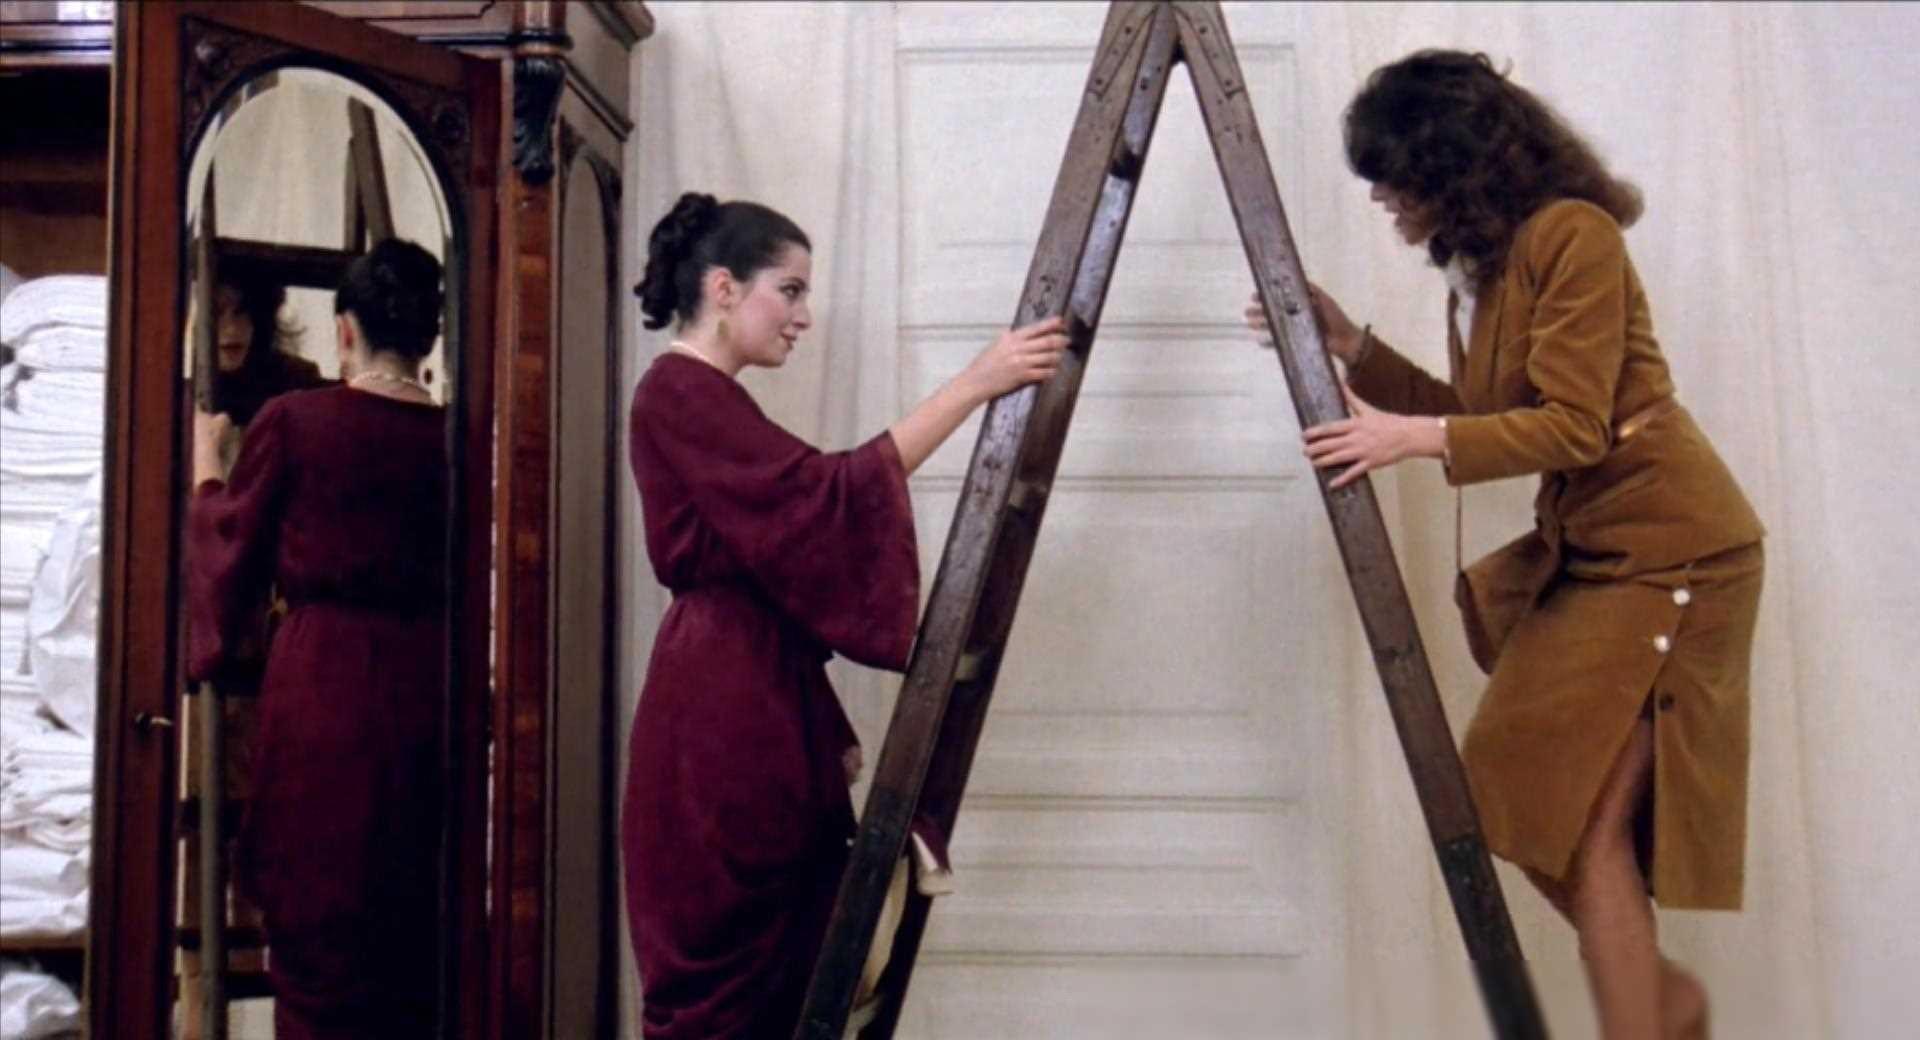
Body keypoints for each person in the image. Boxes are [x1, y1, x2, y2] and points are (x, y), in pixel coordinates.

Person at [1250, 50, 1764, 1040]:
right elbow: (1482, 413)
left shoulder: (1574, 236)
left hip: (1677, 553)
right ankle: (1666, 1006)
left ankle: (1651, 1017)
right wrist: (1355, 346)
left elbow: (1572, 426)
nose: (1381, 198)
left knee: (1585, 830)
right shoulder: (1484, 269)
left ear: (1451, 165)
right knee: (1520, 804)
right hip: (1598, 555)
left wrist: (1410, 439)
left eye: (1392, 177)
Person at [623, 192, 1069, 1038]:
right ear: (723, 288)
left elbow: (781, 544)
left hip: (746, 689)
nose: (804, 316)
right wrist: (976, 384)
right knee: (732, 968)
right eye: (789, 291)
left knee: (787, 966)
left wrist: (819, 719)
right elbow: (822, 499)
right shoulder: (678, 391)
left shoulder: (705, 395)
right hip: (719, 709)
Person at [187, 238, 449, 1039]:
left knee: (316, 914)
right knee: (411, 930)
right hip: (427, 684)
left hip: (322, 686)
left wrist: (205, 471)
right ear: (429, 336)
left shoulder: (295, 421)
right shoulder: (458, 438)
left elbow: (229, 548)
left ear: (345, 330)